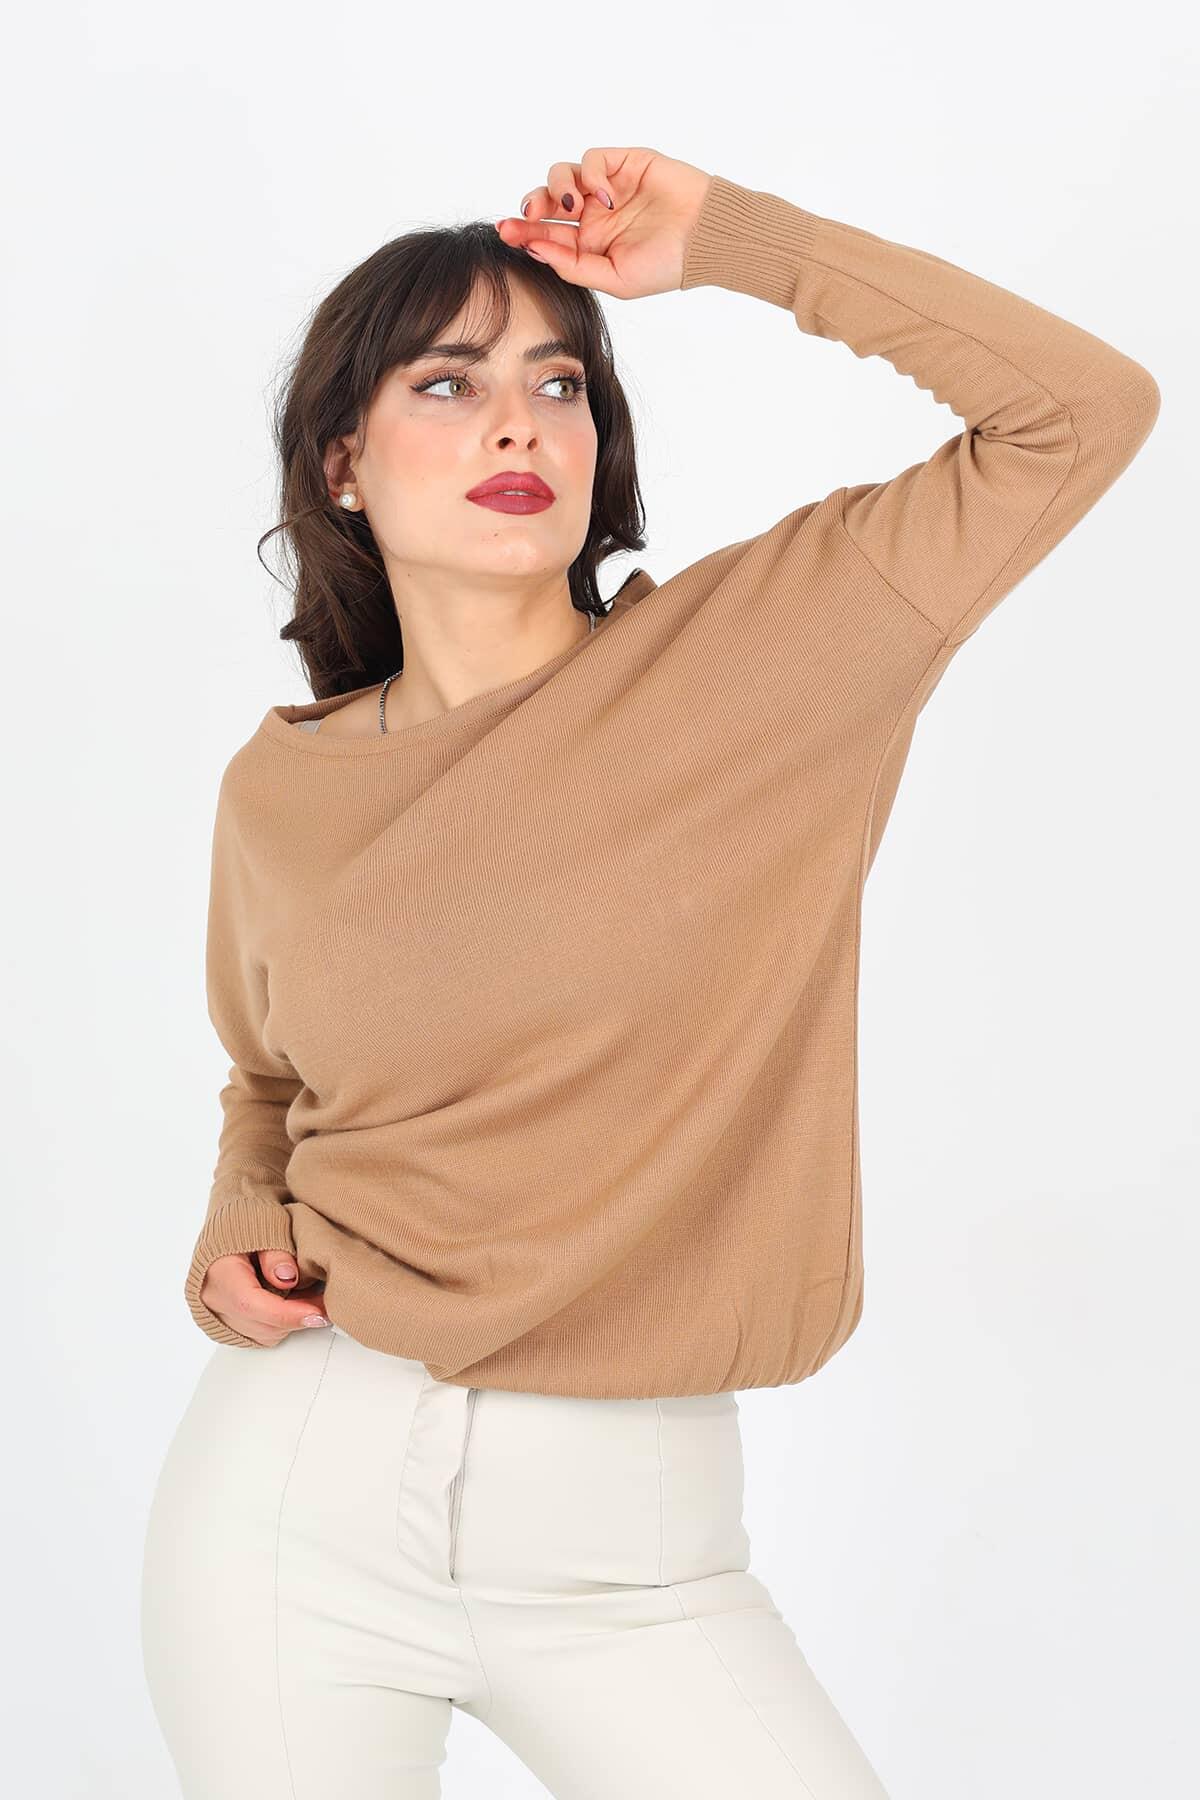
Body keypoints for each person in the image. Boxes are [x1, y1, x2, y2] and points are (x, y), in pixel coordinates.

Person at [140, 147, 1160, 1798]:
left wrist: (738, 242)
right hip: (294, 1506)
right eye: (448, 383)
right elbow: (269, 1079)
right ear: (342, 463)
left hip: (641, 1554)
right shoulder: (286, 783)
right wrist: (238, 1212)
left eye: (559, 384)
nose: (519, 426)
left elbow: (1080, 412)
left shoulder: (768, 654)